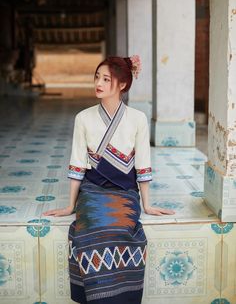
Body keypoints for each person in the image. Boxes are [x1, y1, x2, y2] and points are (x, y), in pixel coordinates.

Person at [43, 55, 175, 304]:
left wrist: (146, 204)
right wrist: (71, 206)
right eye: (97, 77)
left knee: (122, 228)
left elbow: (143, 163)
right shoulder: (83, 118)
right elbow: (77, 163)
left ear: (122, 84)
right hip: (92, 191)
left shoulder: (138, 118)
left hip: (125, 192)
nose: (99, 83)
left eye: (106, 79)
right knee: (89, 230)